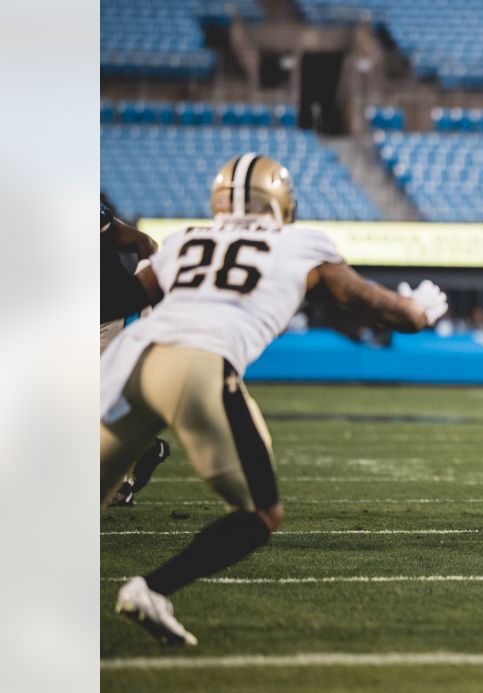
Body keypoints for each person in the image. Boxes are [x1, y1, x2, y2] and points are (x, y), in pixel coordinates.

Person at [100, 153, 448, 645]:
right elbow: (381, 308)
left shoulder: (184, 239)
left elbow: (116, 302)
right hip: (199, 365)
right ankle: (152, 590)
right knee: (261, 515)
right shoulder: (303, 243)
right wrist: (421, 309)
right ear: (282, 202)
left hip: (130, 361)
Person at [100, 201, 169, 506]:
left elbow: (145, 243)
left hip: (111, 311)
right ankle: (147, 447)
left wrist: (145, 301)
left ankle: (115, 482)